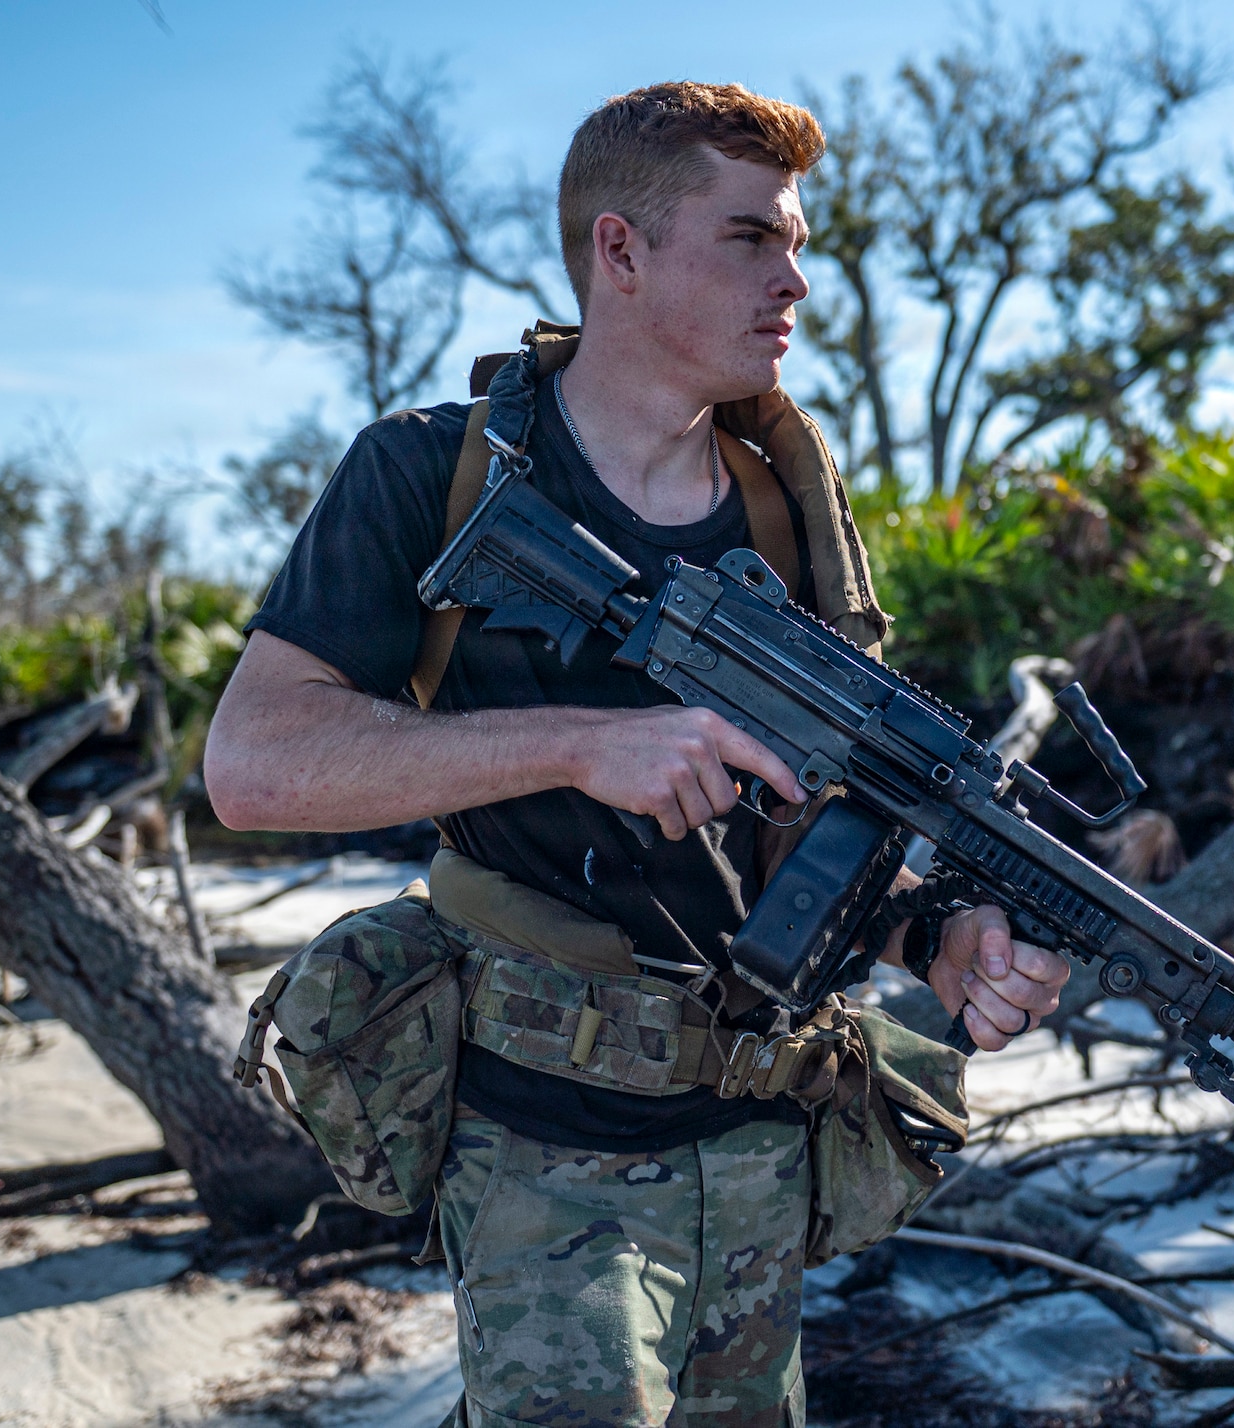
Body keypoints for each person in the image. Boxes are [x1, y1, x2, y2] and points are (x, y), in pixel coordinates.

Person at [205, 81, 1068, 1427]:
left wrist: (925, 939)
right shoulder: (429, 472)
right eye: (749, 239)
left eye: (797, 240)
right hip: (546, 1155)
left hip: (764, 1147)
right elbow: (253, 767)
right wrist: (583, 744)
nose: (796, 279)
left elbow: (812, 820)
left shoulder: (793, 504)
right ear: (620, 252)